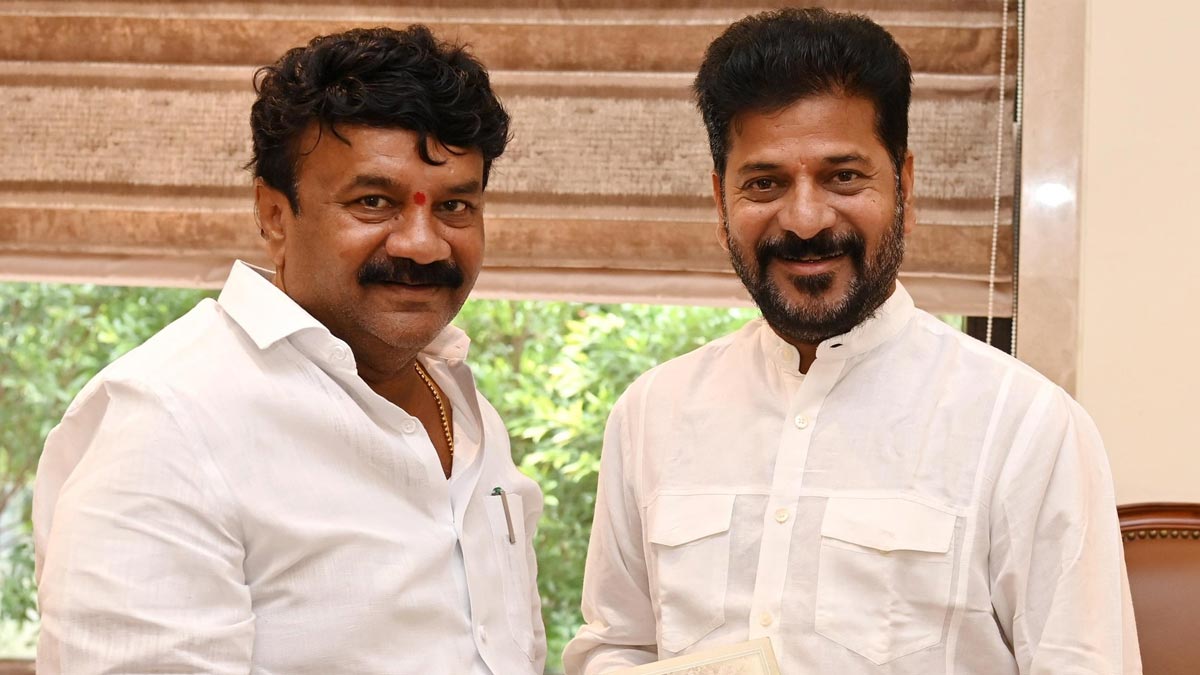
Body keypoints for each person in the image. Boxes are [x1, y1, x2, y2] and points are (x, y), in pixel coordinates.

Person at [563, 8, 1140, 674]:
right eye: (765, 183)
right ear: (721, 202)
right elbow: (618, 646)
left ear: (905, 188)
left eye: (843, 177)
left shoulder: (1026, 427)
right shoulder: (651, 414)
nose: (806, 219)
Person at [33, 25, 545, 674]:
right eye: (373, 202)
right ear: (274, 215)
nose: (422, 244)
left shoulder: (466, 411)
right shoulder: (170, 420)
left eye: (455, 206)